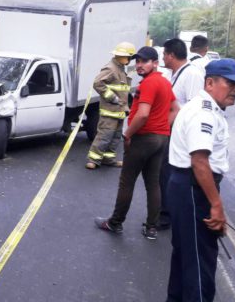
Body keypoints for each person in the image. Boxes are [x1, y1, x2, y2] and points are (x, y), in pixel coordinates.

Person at [166, 58, 235, 301]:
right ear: (210, 82)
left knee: (185, 257)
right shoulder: (204, 113)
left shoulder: (206, 108)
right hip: (194, 189)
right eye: (231, 82)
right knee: (199, 265)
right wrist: (216, 204)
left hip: (188, 186)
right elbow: (200, 162)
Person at [94, 46, 178, 240]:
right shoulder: (165, 83)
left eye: (144, 61)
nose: (139, 65)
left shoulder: (148, 84)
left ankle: (115, 223)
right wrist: (163, 126)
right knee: (153, 183)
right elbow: (175, 109)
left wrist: (128, 135)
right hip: (161, 139)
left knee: (127, 182)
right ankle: (151, 228)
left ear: (155, 63)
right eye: (137, 61)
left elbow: (142, 114)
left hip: (144, 138)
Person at [159, 37, 205, 229]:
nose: (163, 58)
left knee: (173, 174)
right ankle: (167, 211)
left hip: (182, 135)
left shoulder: (192, 74)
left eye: (164, 54)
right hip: (172, 132)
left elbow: (196, 107)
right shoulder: (175, 73)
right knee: (165, 173)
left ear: (171, 55)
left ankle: (170, 214)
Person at [85, 41, 135, 169]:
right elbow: (97, 83)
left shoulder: (120, 69)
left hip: (119, 111)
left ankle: (108, 159)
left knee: (115, 137)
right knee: (104, 135)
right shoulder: (111, 68)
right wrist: (112, 98)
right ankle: (93, 160)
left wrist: (125, 107)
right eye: (128, 56)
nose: (130, 59)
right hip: (109, 112)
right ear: (120, 56)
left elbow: (122, 90)